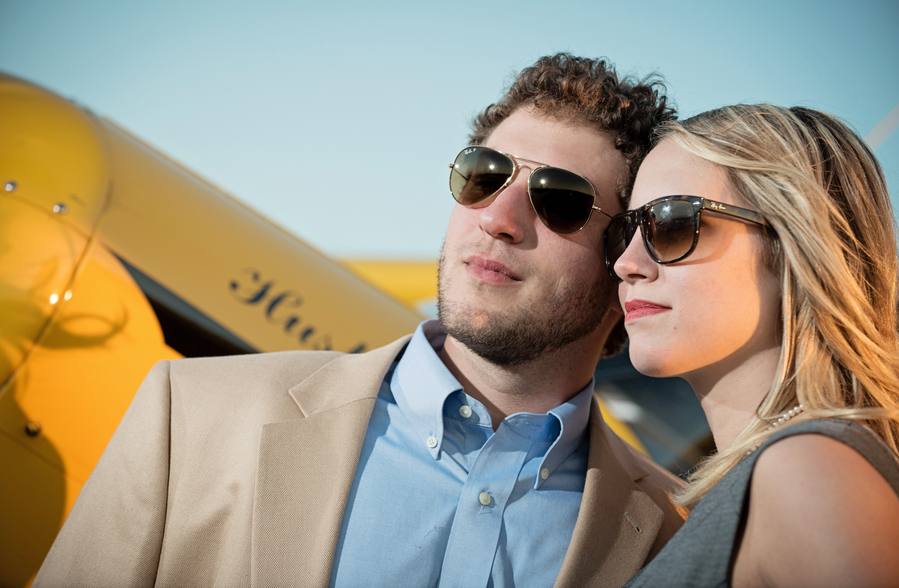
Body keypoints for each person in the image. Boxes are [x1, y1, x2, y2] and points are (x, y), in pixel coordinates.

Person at [35, 53, 687, 588]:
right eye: (482, 176)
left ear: (626, 260)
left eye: (559, 199)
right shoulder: (188, 415)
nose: (496, 216)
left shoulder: (676, 534)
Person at [606, 103, 899, 587]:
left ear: (794, 247)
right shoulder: (771, 474)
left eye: (673, 222)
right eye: (626, 231)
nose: (627, 263)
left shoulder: (809, 471)